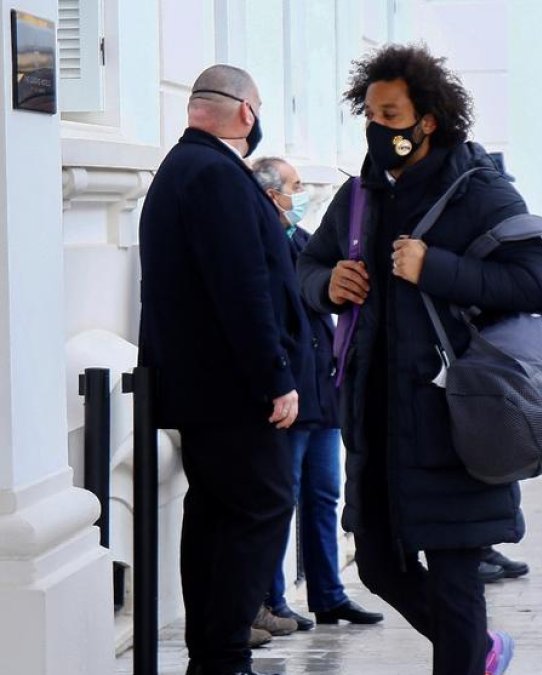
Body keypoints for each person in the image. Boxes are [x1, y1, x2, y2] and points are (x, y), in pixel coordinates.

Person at [297, 44, 542, 675]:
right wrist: (327, 285)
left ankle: (469, 652)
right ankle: (481, 652)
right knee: (380, 566)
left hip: (453, 420)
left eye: (390, 116)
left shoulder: (480, 190)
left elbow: (534, 280)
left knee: (457, 579)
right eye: (371, 115)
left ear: (427, 120)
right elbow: (306, 265)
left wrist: (434, 268)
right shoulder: (360, 196)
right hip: (376, 425)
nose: (378, 129)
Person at [138, 64, 316, 675]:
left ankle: (214, 653)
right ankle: (224, 654)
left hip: (204, 389)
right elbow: (243, 288)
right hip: (233, 390)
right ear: (246, 111)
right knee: (259, 508)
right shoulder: (215, 174)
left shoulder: (184, 167)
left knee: (216, 515)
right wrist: (276, 376)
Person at [251, 157, 386, 630]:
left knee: (324, 496)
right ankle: (271, 600)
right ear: (271, 195)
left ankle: (328, 595)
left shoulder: (306, 243)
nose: (302, 191)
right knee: (280, 500)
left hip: (322, 393)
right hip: (288, 398)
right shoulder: (259, 246)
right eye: (294, 185)